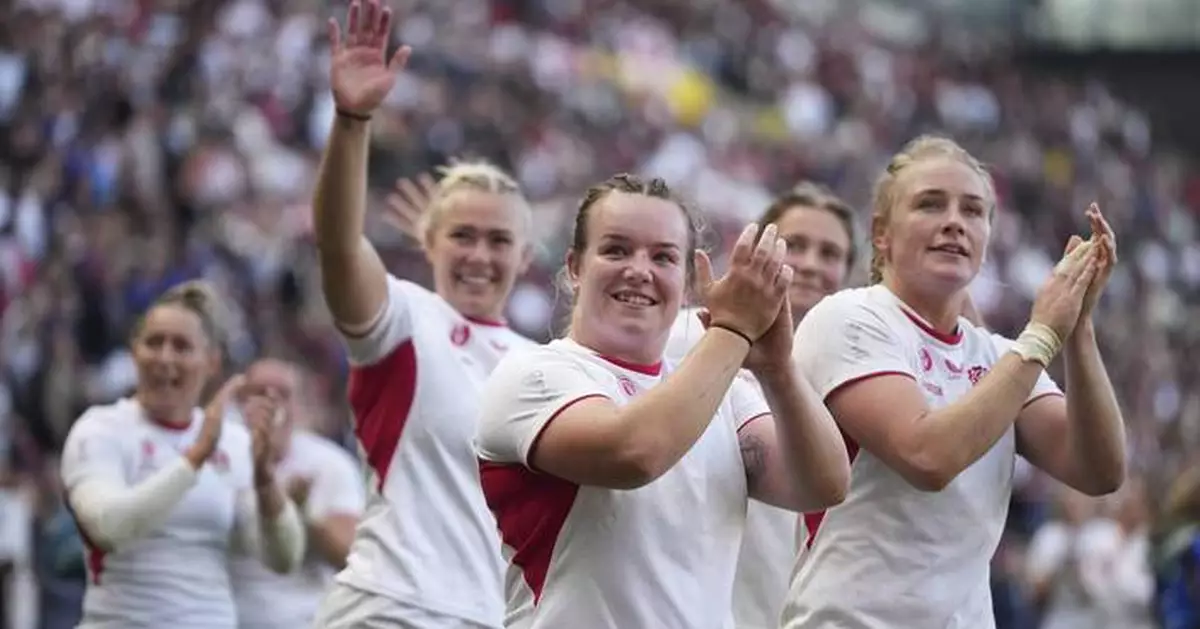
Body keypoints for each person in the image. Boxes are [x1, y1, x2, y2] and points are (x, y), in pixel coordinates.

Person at [780, 135, 1127, 629]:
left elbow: (1100, 470)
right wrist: (1043, 335)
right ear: (881, 234)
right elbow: (927, 457)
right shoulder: (847, 318)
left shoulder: (1000, 356)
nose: (954, 222)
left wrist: (1079, 327)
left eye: (973, 210)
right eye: (930, 204)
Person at [476, 173, 850, 629]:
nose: (640, 270)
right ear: (575, 266)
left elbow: (825, 485)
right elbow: (635, 454)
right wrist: (733, 330)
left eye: (663, 257)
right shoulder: (531, 375)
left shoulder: (726, 393)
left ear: (687, 279)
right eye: (616, 250)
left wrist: (778, 370)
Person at [308, 1, 537, 627]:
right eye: (462, 235)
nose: (480, 255)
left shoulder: (545, 366)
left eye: (498, 240)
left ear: (525, 258)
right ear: (428, 242)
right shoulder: (405, 318)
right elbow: (336, 244)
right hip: (391, 608)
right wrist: (352, 121)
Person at [663, 181, 857, 629]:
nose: (810, 264)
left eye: (829, 254)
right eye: (796, 245)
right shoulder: (690, 337)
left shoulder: (859, 374)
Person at [59, 281, 306, 628]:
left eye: (181, 346)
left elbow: (284, 558)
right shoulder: (101, 430)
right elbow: (108, 527)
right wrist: (195, 457)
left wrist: (266, 483)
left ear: (211, 363)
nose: (165, 358)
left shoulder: (232, 443)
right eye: (154, 343)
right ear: (134, 352)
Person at [230, 359, 366, 629]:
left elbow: (351, 559)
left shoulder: (329, 464)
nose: (271, 402)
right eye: (259, 392)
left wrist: (302, 515)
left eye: (283, 394)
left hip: (307, 619)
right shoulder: (220, 460)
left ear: (300, 404)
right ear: (239, 403)